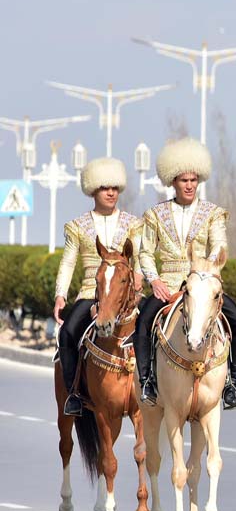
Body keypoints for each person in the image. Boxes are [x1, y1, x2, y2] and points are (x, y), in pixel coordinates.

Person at [135, 138, 236, 410]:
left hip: (203, 283)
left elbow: (220, 245)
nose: (189, 185)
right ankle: (148, 380)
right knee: (143, 324)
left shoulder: (213, 214)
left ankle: (231, 382)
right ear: (172, 181)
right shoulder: (155, 215)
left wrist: (204, 271)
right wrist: (154, 280)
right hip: (169, 284)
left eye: (193, 180)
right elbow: (145, 253)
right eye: (183, 180)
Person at [54, 158, 142, 417]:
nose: (111, 192)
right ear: (93, 190)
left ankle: (152, 386)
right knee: (68, 333)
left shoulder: (133, 224)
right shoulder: (77, 227)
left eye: (115, 187)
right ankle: (73, 394)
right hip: (89, 294)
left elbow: (142, 255)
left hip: (126, 295)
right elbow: (68, 262)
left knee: (153, 328)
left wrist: (138, 277)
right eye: (104, 187)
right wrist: (60, 295)